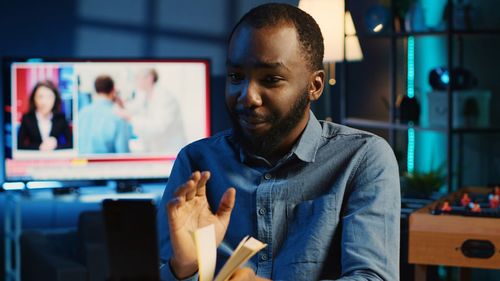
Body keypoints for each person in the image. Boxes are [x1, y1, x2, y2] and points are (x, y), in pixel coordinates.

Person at [157, 3, 400, 281]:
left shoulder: (362, 159)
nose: (247, 97)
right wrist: (186, 268)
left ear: (315, 86)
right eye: (236, 77)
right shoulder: (196, 162)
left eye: (271, 79)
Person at [117, 68, 186, 154]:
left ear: (149, 78)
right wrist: (122, 105)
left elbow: (159, 127)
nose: (135, 80)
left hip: (170, 150)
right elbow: (135, 108)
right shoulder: (144, 95)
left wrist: (131, 118)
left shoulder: (165, 98)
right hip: (156, 149)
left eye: (138, 77)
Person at [78, 75, 130, 154]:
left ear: (95, 90)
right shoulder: (118, 115)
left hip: (83, 164)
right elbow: (123, 153)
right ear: (113, 90)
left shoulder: (82, 113)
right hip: (107, 165)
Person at [17, 80, 73, 150]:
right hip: (34, 159)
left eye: (49, 97)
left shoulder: (61, 118)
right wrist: (39, 147)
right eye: (40, 97)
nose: (44, 102)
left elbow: (71, 144)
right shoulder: (27, 118)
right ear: (34, 98)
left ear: (55, 99)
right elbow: (19, 145)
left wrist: (55, 145)